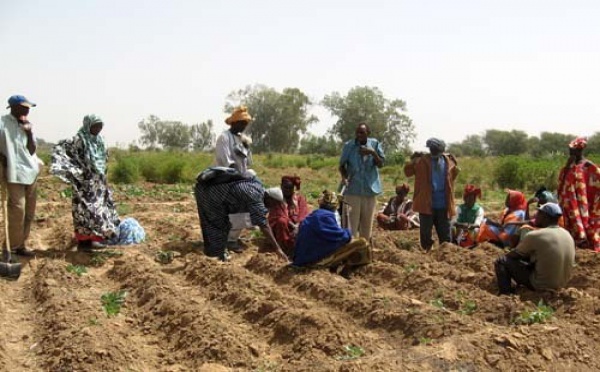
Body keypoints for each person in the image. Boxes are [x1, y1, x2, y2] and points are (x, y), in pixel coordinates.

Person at [51, 115, 145, 249]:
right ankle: (84, 242)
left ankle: (95, 239)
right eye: (95, 125)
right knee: (84, 212)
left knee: (99, 212)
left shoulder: (100, 141)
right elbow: (63, 151)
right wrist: (76, 172)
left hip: (98, 185)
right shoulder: (78, 140)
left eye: (100, 126)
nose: (98, 128)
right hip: (83, 184)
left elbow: (103, 160)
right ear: (88, 125)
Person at [194, 167, 288, 262]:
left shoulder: (258, 188)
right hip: (209, 193)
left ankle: (217, 253)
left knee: (222, 224)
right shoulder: (255, 195)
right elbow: (263, 224)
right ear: (270, 199)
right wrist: (277, 249)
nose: (271, 208)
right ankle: (214, 257)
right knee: (215, 224)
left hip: (216, 194)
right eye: (273, 205)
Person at [494, 203, 576, 295]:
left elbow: (513, 255)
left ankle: (505, 294)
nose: (536, 216)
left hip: (541, 284)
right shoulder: (567, 234)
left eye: (539, 213)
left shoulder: (536, 235)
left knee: (501, 261)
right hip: (562, 285)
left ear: (545, 217)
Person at [292, 190, 372, 276]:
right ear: (335, 206)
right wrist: (347, 224)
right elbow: (343, 237)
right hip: (312, 261)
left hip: (303, 258)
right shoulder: (326, 217)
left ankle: (336, 267)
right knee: (362, 243)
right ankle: (345, 272)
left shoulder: (314, 215)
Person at [0, 95, 40, 256]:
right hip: (13, 172)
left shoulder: (27, 125)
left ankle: (21, 245)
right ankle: (11, 247)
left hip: (30, 171)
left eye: (28, 107)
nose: (27, 110)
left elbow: (31, 150)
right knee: (18, 209)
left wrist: (29, 133)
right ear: (14, 107)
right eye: (24, 107)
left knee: (29, 212)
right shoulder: (2, 123)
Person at [404, 138, 459, 251]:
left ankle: (445, 255)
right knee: (425, 234)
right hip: (426, 203)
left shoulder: (449, 161)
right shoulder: (422, 161)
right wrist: (413, 160)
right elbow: (407, 172)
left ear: (442, 149)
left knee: (445, 235)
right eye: (431, 149)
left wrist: (455, 162)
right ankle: (427, 254)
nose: (433, 151)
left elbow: (452, 178)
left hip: (444, 203)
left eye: (435, 149)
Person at [215, 106, 255, 251]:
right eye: (242, 124)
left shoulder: (241, 139)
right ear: (234, 123)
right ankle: (230, 240)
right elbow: (228, 164)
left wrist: (247, 146)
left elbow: (248, 163)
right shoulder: (223, 138)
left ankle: (235, 235)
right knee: (238, 207)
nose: (244, 127)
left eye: (246, 124)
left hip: (240, 178)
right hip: (226, 179)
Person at [339, 123, 385, 241]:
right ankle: (350, 252)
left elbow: (381, 164)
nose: (359, 135)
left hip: (369, 190)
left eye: (362, 133)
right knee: (351, 226)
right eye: (357, 133)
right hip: (353, 190)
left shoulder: (374, 144)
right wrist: (344, 178)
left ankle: (364, 252)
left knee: (367, 226)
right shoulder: (349, 146)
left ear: (368, 134)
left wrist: (372, 152)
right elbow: (342, 165)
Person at [558, 137, 600, 251]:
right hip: (570, 202)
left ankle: (585, 242)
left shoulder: (589, 166)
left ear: (580, 150)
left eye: (573, 150)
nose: (570, 152)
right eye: (570, 150)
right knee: (569, 222)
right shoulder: (569, 166)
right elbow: (562, 182)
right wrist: (567, 167)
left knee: (584, 223)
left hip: (584, 203)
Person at [266, 176, 309, 257]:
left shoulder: (299, 198)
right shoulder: (277, 198)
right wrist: (293, 226)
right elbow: (278, 214)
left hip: (297, 226)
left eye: (290, 188)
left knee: (307, 224)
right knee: (281, 221)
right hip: (281, 228)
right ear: (281, 186)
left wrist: (298, 226)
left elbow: (303, 213)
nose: (288, 190)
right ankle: (284, 249)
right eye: (286, 187)